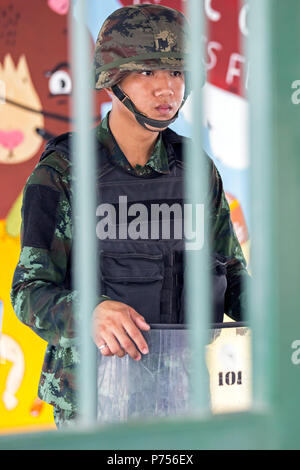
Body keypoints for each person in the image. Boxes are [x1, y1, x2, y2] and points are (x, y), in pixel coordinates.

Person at [10, 4, 249, 428]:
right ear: (112, 79)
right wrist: (90, 312)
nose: (166, 89)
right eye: (147, 73)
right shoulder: (64, 172)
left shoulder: (195, 170)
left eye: (176, 73)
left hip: (183, 401)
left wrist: (268, 308)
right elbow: (29, 292)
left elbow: (230, 273)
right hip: (95, 406)